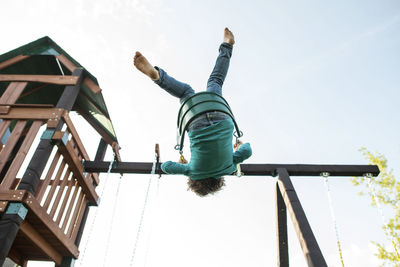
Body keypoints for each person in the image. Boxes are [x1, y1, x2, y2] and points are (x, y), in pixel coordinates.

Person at [133, 27, 252, 196]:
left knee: (215, 82)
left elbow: (247, 151)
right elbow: (166, 167)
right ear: (195, 183)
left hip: (220, 114)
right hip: (196, 122)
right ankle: (158, 77)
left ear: (219, 181)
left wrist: (239, 145)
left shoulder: (229, 166)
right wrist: (184, 165)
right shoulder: (193, 171)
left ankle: (227, 45)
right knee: (186, 93)